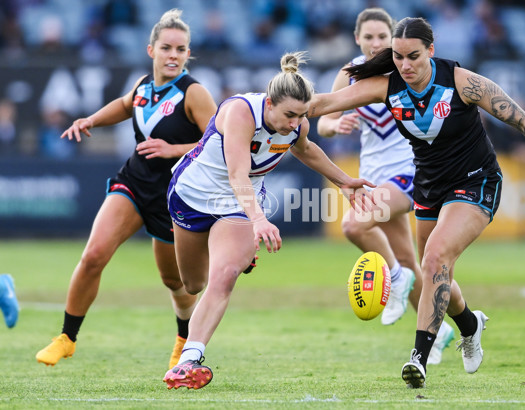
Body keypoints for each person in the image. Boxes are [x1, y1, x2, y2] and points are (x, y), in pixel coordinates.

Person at [308, 17, 525, 388]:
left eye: (413, 56)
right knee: (432, 269)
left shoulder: (461, 82)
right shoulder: (386, 85)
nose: (405, 65)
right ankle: (470, 324)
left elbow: (522, 119)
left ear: (431, 51)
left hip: (476, 182)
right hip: (429, 187)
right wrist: (274, 104)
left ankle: (418, 359)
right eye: (398, 57)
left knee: (436, 257)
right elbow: (325, 104)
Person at [163, 51, 374, 390]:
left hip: (237, 205)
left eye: (301, 116)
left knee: (225, 275)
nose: (295, 123)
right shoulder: (240, 113)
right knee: (193, 284)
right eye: (289, 114)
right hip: (193, 197)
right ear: (271, 102)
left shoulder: (297, 123)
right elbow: (236, 173)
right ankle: (241, 250)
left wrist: (344, 181)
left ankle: (189, 359)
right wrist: (260, 220)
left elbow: (305, 149)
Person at [35, 9, 218, 369]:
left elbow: (221, 140)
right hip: (134, 182)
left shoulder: (194, 93)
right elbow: (123, 106)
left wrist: (174, 150)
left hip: (174, 196)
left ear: (188, 54)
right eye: (166, 47)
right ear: (151, 50)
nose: (173, 55)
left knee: (176, 282)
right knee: (94, 255)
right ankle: (67, 337)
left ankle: (183, 338)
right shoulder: (142, 87)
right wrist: (90, 120)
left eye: (181, 49)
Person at [316, 8, 454, 365]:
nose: (376, 43)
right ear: (358, 38)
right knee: (409, 258)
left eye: (382, 37)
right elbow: (324, 125)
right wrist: (337, 125)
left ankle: (394, 278)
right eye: (370, 37)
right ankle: (438, 333)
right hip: (373, 175)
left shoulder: (404, 69)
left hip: (410, 171)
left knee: (354, 224)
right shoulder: (349, 74)